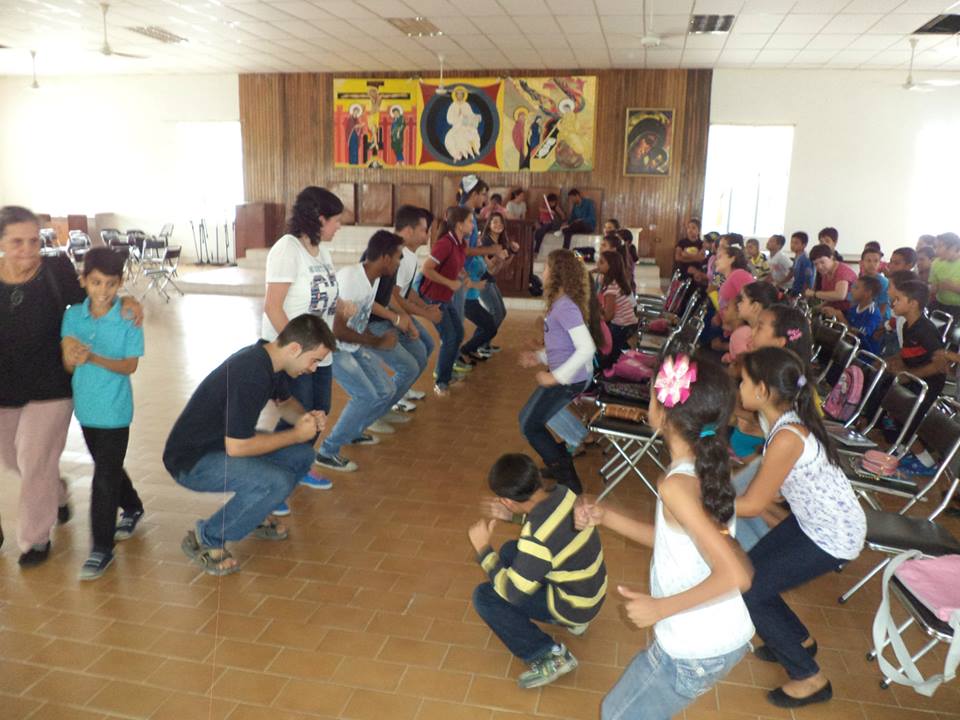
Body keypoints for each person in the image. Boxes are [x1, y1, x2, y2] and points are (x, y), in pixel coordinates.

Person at [576, 353, 754, 720]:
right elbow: (677, 541)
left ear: (663, 411)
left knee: (616, 714)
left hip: (695, 646)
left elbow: (736, 575)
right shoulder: (705, 467)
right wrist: (606, 516)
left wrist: (660, 608)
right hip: (713, 635)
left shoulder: (677, 485)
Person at [0, 206, 142, 566]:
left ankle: (34, 540)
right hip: (5, 389)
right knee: (14, 460)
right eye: (17, 242)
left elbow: (98, 298)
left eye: (34, 241)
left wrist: (127, 301)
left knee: (35, 460)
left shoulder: (56, 271)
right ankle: (57, 491)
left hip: (51, 386)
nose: (28, 250)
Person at [737, 347, 865, 708]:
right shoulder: (779, 420)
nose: (739, 387)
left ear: (763, 390)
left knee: (749, 587)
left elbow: (752, 505)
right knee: (750, 573)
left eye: (743, 382)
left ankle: (809, 677)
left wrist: (705, 502)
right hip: (816, 523)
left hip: (832, 535)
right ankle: (799, 640)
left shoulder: (787, 436)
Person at [164, 314, 335, 576]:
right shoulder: (251, 372)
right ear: (294, 349)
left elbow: (285, 404)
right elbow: (238, 447)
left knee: (301, 455)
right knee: (276, 482)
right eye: (314, 360)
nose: (313, 369)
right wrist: (296, 434)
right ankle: (207, 537)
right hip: (192, 462)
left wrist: (305, 418)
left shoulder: (271, 360)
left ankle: (254, 515)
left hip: (221, 448)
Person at [469, 453, 606, 689]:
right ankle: (576, 624)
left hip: (574, 605)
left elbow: (512, 593)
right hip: (589, 590)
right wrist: (512, 516)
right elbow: (551, 526)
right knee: (511, 551)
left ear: (507, 501)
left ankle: (549, 656)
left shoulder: (535, 538)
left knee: (485, 597)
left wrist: (483, 550)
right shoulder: (564, 493)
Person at [60, 247, 145, 580]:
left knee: (104, 477)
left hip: (115, 410)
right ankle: (133, 505)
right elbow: (68, 362)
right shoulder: (73, 316)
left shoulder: (128, 318)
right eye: (96, 282)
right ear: (84, 281)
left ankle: (101, 548)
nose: (103, 290)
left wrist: (93, 358)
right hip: (86, 408)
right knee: (108, 466)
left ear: (120, 283)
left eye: (111, 284)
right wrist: (71, 354)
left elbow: (130, 365)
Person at [262, 186, 344, 497]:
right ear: (319, 218)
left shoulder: (322, 251)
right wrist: (296, 352)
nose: (339, 226)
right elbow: (273, 306)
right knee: (298, 413)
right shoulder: (288, 248)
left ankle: (297, 466)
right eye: (336, 220)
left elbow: (323, 292)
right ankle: (272, 479)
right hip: (294, 353)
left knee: (320, 410)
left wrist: (343, 305)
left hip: (318, 351)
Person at [316, 231, 403, 470]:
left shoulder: (371, 279)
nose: (398, 262)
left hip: (352, 345)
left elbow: (360, 316)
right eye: (397, 257)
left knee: (386, 390)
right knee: (365, 396)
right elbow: (337, 331)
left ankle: (352, 432)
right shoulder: (351, 279)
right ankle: (327, 451)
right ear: (385, 258)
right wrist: (376, 342)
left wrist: (373, 339)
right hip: (334, 348)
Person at [518, 249, 602, 493]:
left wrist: (555, 377)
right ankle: (558, 466)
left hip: (569, 379)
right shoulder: (561, 304)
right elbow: (563, 346)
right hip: (568, 377)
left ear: (557, 274)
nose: (542, 271)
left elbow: (587, 348)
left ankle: (569, 481)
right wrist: (539, 357)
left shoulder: (565, 306)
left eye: (546, 267)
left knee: (530, 425)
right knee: (528, 420)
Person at [362, 208, 435, 419]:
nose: (427, 235)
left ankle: (395, 396)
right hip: (372, 323)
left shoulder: (400, 254)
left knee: (422, 351)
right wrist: (401, 318)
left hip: (385, 317)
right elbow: (373, 299)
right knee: (409, 366)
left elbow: (394, 293)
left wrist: (417, 312)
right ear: (409, 231)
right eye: (424, 230)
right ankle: (379, 411)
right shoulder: (387, 253)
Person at [875, 281, 947, 476]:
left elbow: (940, 365)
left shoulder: (925, 330)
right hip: (914, 378)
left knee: (908, 419)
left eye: (898, 299)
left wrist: (911, 376)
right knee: (893, 408)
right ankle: (904, 451)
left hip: (928, 383)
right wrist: (891, 362)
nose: (893, 303)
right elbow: (907, 353)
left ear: (913, 303)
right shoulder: (908, 325)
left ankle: (927, 463)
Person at [421, 206, 470, 397]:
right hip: (434, 297)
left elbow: (454, 264)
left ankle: (446, 376)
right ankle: (441, 382)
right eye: (470, 221)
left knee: (458, 334)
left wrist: (461, 273)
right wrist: (450, 282)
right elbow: (427, 269)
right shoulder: (445, 243)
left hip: (445, 297)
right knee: (450, 337)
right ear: (459, 224)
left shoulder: (460, 243)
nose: (473, 225)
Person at [820, 275, 883, 355]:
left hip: (861, 354)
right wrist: (833, 315)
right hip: (847, 347)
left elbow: (856, 337)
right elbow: (845, 325)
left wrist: (840, 316)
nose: (851, 290)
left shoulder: (872, 314)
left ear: (867, 293)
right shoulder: (855, 308)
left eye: (856, 288)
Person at [596, 250, 637, 366]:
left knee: (607, 353)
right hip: (628, 324)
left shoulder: (611, 288)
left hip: (622, 326)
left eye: (601, 262)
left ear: (611, 266)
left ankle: (610, 368)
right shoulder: (616, 281)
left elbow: (609, 316)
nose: (597, 264)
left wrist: (596, 317)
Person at [805, 244, 856, 312]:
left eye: (822, 262)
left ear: (831, 258)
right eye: (816, 264)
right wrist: (818, 307)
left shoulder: (842, 271)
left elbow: (840, 295)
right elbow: (830, 296)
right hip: (836, 310)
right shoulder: (826, 272)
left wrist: (814, 294)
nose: (819, 267)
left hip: (850, 312)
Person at [929, 231, 960, 318]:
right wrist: (933, 288)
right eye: (936, 247)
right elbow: (933, 286)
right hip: (940, 305)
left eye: (940, 246)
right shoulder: (936, 263)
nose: (936, 251)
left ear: (954, 247)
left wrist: (954, 287)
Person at [859, 246, 890, 318]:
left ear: (880, 263)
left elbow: (883, 306)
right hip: (862, 315)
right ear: (861, 263)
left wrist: (875, 321)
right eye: (868, 260)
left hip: (879, 317)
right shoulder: (859, 281)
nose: (872, 264)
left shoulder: (884, 282)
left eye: (876, 261)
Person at [788, 231, 814, 296]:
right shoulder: (797, 256)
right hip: (795, 288)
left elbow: (808, 278)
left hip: (802, 292)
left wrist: (803, 295)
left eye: (796, 243)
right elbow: (792, 273)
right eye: (791, 242)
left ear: (804, 245)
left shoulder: (805, 259)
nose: (792, 245)